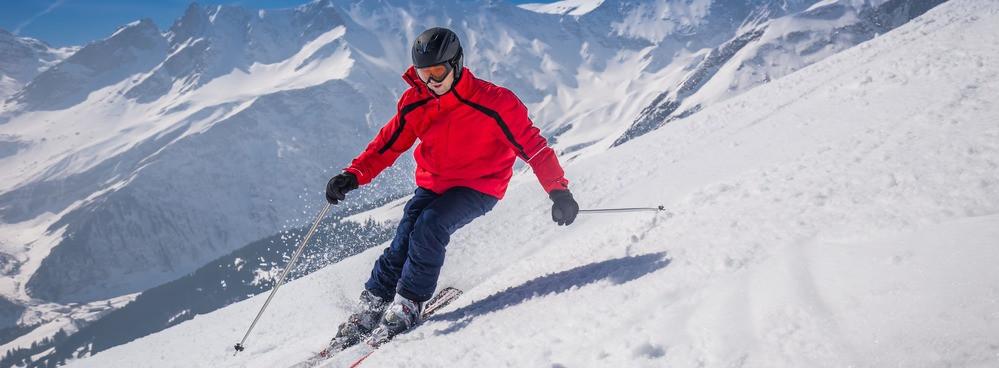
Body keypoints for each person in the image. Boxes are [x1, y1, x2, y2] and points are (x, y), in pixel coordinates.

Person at [323, 27, 579, 350]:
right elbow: (387, 144)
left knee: (431, 225)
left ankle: (409, 303)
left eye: (437, 73)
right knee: (405, 237)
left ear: (456, 64)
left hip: (479, 186)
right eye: (423, 74)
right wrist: (354, 174)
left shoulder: (495, 103)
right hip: (434, 183)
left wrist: (559, 191)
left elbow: (534, 147)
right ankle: (374, 303)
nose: (431, 82)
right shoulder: (416, 102)